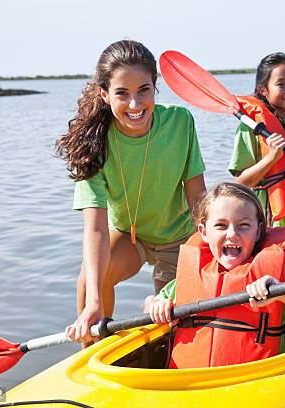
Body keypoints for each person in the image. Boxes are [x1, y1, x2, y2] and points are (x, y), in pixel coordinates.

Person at [58, 40, 206, 345]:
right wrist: (93, 303)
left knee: (173, 324)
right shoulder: (93, 144)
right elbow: (96, 229)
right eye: (122, 94)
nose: (135, 105)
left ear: (155, 87)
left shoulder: (180, 122)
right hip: (130, 236)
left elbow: (198, 198)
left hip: (179, 238)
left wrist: (206, 251)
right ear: (104, 93)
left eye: (144, 90)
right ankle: (90, 351)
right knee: (90, 279)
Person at [145, 182, 285, 369]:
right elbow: (151, 305)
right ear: (203, 232)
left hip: (254, 382)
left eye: (243, 225)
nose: (232, 234)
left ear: (258, 232)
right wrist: (155, 304)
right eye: (221, 225)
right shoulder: (186, 280)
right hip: (190, 382)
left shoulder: (281, 279)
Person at [228, 52, 285, 226]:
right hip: (267, 222)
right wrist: (272, 158)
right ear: (263, 90)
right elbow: (240, 183)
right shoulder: (250, 127)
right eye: (281, 84)